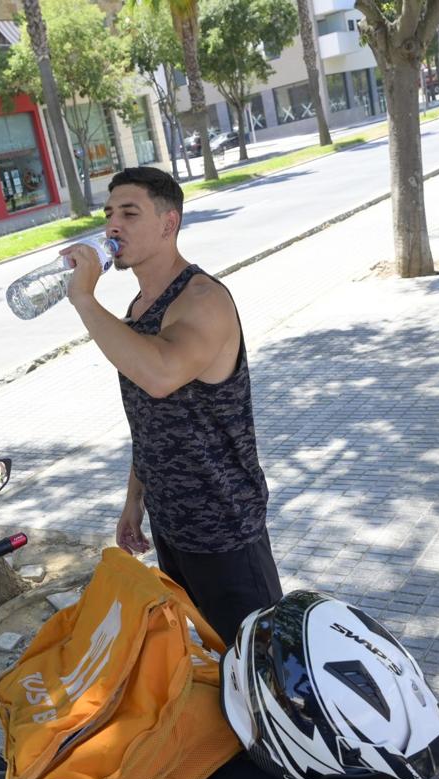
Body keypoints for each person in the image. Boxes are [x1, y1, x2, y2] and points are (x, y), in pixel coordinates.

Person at [61, 167, 282, 646]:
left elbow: (160, 376)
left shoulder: (202, 300)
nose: (112, 226)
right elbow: (151, 421)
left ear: (168, 224)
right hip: (171, 524)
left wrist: (82, 299)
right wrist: (133, 500)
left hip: (224, 526)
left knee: (260, 669)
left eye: (129, 213)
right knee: (209, 665)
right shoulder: (139, 309)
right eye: (108, 214)